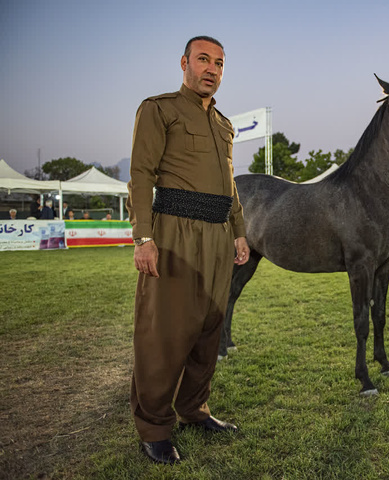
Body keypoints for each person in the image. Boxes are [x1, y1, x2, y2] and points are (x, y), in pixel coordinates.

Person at [126, 35, 250, 465]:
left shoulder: (224, 124)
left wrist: (238, 231)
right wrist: (144, 237)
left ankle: (195, 410)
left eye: (219, 62)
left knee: (207, 329)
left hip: (218, 235)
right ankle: (155, 427)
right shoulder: (158, 109)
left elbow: (230, 186)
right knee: (166, 332)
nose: (212, 69)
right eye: (203, 60)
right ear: (184, 63)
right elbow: (141, 173)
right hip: (175, 232)